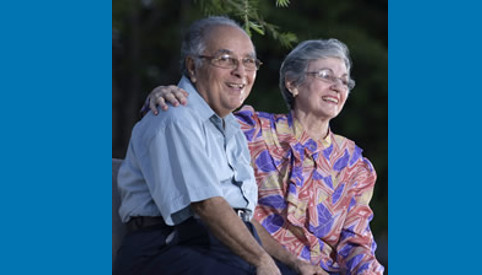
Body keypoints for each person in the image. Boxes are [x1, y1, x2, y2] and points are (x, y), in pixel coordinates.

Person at [145, 38, 385, 274]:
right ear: (292, 83)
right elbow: (189, 126)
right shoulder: (251, 131)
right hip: (257, 263)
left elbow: (356, 241)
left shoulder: (355, 164)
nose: (337, 86)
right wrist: (164, 95)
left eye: (344, 81)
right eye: (325, 76)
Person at [114, 16, 325, 275]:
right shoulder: (175, 116)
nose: (240, 71)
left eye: (249, 61)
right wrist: (262, 262)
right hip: (167, 248)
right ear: (192, 67)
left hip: (217, 243)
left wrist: (295, 263)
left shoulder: (230, 127)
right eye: (225, 59)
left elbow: (239, 220)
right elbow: (207, 206)